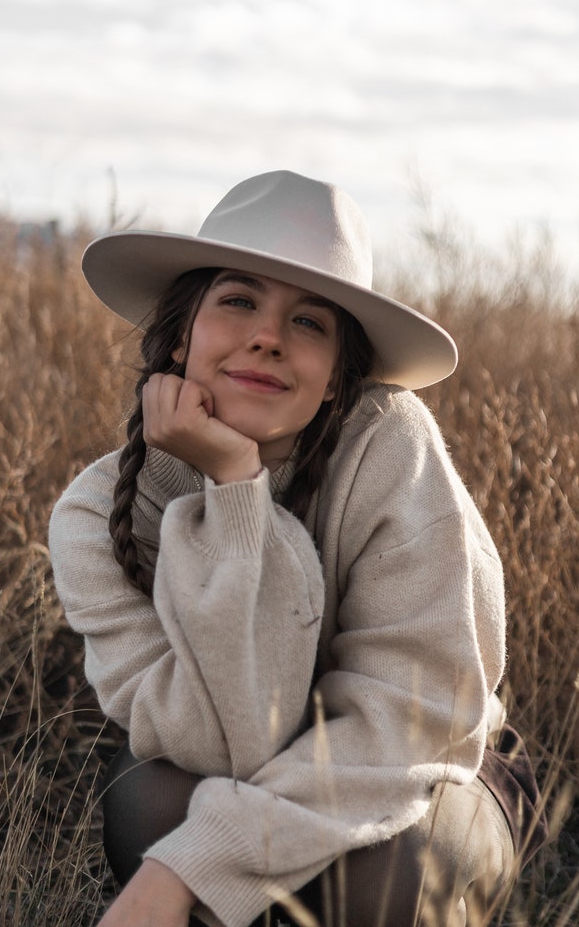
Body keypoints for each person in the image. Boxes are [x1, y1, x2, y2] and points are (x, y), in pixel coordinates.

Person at [49, 170, 543, 927]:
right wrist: (236, 490)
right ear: (181, 331)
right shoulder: (94, 514)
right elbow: (225, 743)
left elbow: (407, 730)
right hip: (225, 769)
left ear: (338, 375)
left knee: (390, 878)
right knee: (147, 802)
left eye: (310, 322)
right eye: (239, 299)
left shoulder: (393, 450)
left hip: (418, 773)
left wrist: (189, 868)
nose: (268, 337)